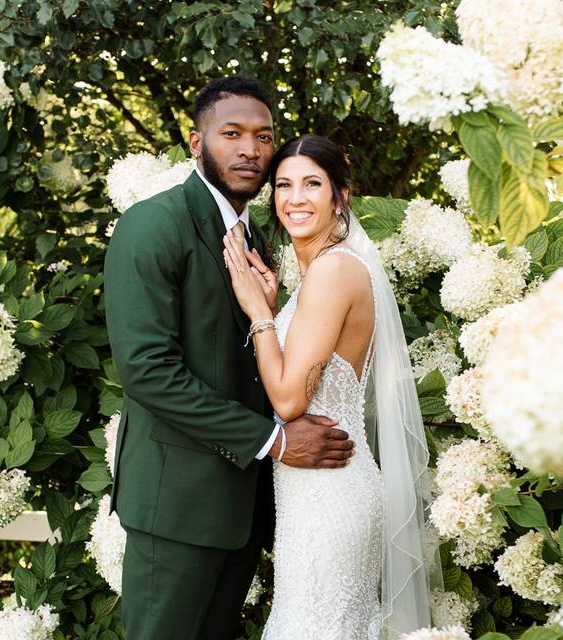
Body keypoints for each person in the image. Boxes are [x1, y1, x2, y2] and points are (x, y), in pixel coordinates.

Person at [104, 78, 356, 640]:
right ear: (196, 142)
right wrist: (276, 441)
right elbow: (148, 371)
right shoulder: (153, 226)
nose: (251, 149)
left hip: (244, 508)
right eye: (232, 134)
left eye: (264, 137)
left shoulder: (257, 236)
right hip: (178, 507)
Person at [222, 135, 437, 639]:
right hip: (316, 487)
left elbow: (290, 399)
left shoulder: (334, 270)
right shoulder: (323, 273)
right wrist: (274, 313)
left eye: (312, 184)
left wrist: (257, 314)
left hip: (329, 489)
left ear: (340, 195)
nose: (295, 198)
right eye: (284, 185)